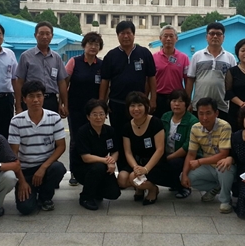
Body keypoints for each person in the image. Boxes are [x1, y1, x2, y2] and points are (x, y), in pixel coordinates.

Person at [99, 21, 156, 168]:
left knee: (140, 137)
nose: (125, 36)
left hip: (139, 106)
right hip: (117, 104)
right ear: (118, 35)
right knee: (119, 138)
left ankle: (139, 169)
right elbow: (105, 81)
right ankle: (123, 170)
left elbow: (151, 78)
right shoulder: (111, 56)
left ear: (134, 35)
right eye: (122, 33)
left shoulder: (144, 53)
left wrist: (152, 100)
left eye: (128, 33)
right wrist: (102, 103)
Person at [8, 80, 67, 215]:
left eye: (39, 96)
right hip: (26, 170)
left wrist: (43, 168)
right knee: (26, 209)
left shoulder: (54, 117)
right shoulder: (16, 121)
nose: (35, 100)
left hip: (46, 167)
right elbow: (14, 154)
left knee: (58, 168)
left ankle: (45, 197)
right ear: (24, 99)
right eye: (31, 96)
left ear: (43, 97)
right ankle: (32, 190)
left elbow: (61, 146)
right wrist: (22, 181)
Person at [118, 92, 177, 205]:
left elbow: (160, 150)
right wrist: (135, 167)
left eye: (139, 105)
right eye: (132, 106)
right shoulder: (126, 127)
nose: (136, 109)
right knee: (122, 179)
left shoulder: (155, 123)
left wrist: (145, 169)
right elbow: (128, 152)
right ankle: (140, 187)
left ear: (146, 106)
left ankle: (152, 189)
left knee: (133, 177)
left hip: (154, 162)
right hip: (137, 161)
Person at [181, 97, 236, 214]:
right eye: (201, 114)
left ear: (216, 113)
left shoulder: (224, 126)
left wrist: (199, 162)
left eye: (208, 113)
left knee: (224, 167)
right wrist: (185, 174)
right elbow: (191, 154)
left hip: (224, 164)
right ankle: (215, 187)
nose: (204, 117)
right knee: (186, 177)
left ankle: (225, 200)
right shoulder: (195, 128)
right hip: (208, 166)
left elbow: (223, 154)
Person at [65, 32, 104, 186]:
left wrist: (103, 106)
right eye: (90, 44)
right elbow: (64, 84)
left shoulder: (101, 65)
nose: (93, 47)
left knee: (93, 139)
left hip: (94, 111)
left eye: (96, 44)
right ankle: (75, 172)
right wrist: (63, 103)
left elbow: (105, 87)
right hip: (75, 108)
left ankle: (91, 170)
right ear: (84, 45)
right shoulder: (74, 62)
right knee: (76, 140)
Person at [72, 99, 121, 210]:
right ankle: (85, 197)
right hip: (83, 168)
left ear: (106, 116)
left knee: (114, 193)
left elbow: (115, 151)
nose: (98, 117)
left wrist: (112, 161)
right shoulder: (82, 132)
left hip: (102, 165)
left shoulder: (109, 131)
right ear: (88, 117)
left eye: (101, 114)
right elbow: (86, 158)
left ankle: (94, 191)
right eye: (94, 114)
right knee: (98, 167)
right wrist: (106, 161)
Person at [14, 21, 68, 116]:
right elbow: (19, 82)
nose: (44, 37)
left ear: (52, 36)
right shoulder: (26, 56)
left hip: (51, 100)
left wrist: (64, 105)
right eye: (41, 34)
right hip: (32, 100)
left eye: (47, 34)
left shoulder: (56, 58)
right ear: (35, 35)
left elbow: (62, 83)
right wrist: (18, 106)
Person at [186, 22, 236, 121]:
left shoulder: (230, 58)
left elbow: (232, 84)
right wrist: (188, 102)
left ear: (223, 37)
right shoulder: (197, 56)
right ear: (206, 37)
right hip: (199, 106)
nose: (215, 36)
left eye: (218, 34)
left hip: (222, 106)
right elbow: (190, 80)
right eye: (212, 33)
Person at [160, 89, 198, 199]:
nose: (176, 104)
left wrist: (169, 157)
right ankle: (173, 183)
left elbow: (187, 146)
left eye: (181, 101)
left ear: (186, 104)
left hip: (184, 156)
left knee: (174, 163)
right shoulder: (165, 117)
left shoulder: (192, 121)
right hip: (165, 153)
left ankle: (183, 187)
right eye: (174, 101)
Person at [153, 25, 189, 118]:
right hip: (159, 97)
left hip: (177, 98)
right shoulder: (153, 58)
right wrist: (151, 99)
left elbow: (187, 80)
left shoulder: (184, 58)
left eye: (171, 36)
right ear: (160, 38)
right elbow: (149, 80)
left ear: (176, 38)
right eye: (165, 36)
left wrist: (187, 100)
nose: (168, 39)